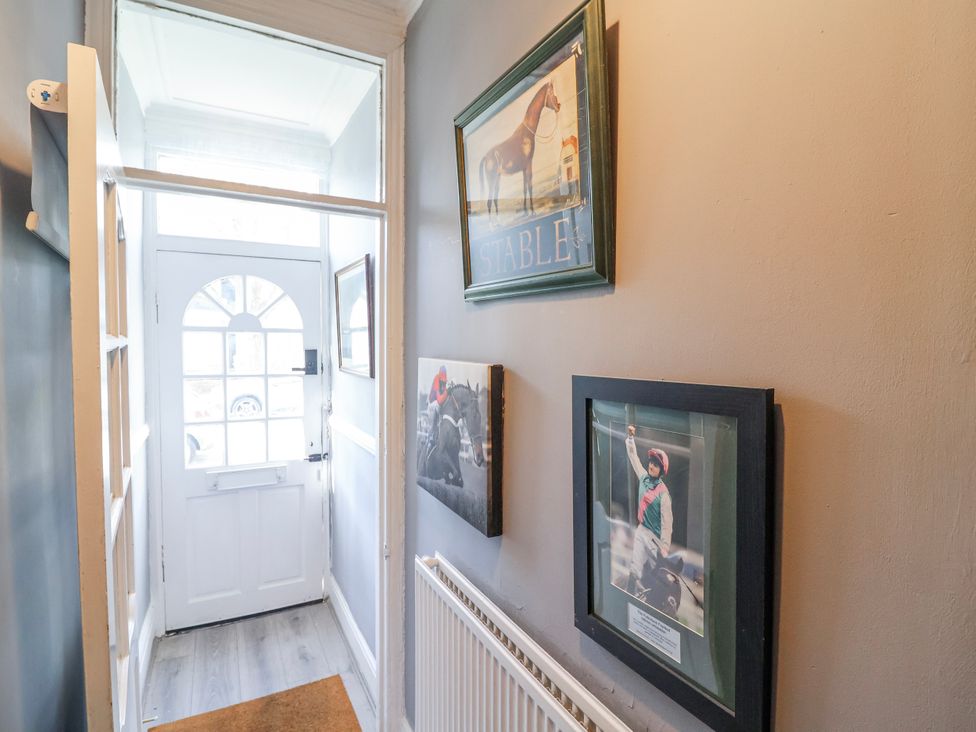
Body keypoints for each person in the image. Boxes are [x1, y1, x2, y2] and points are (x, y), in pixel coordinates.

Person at [625, 424, 673, 596]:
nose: (652, 466)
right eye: (651, 462)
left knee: (658, 574)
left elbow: (667, 524)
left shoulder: (664, 494)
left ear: (662, 470)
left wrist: (665, 547)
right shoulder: (644, 477)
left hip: (655, 539)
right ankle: (630, 594)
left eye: (656, 465)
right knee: (634, 568)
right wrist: (631, 438)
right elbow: (633, 456)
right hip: (641, 530)